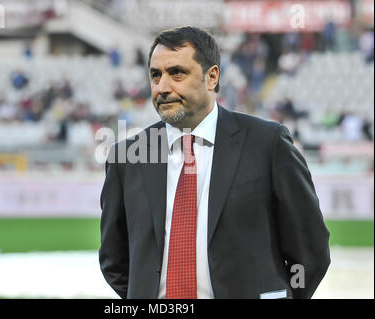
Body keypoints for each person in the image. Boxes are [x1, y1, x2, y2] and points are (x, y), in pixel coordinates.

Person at [99, 26, 330, 299]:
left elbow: (310, 251)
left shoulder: (267, 143)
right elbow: (114, 260)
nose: (162, 87)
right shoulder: (127, 156)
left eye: (177, 73)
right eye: (155, 75)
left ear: (212, 77)